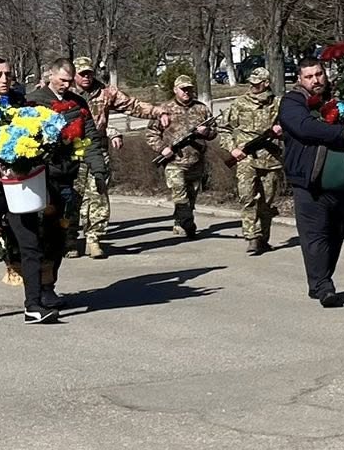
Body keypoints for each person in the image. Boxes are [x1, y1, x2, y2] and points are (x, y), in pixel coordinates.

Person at [0, 57, 57, 324]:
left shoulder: (22, 105)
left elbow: (36, 138)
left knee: (30, 244)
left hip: (19, 187)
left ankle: (33, 305)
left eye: (8, 74)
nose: (4, 79)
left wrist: (33, 158)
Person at [279, 59, 344, 307]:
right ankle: (323, 286)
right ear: (299, 79)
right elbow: (304, 128)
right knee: (314, 236)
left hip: (340, 181)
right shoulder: (293, 103)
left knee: (336, 234)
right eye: (309, 76)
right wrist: (342, 132)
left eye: (318, 74)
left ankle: (320, 279)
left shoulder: (339, 100)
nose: (315, 80)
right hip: (309, 182)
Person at [28, 60, 106, 297]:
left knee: (58, 236)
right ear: (50, 75)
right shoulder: (34, 101)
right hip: (39, 177)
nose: (65, 85)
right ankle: (37, 289)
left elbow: (90, 137)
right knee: (39, 234)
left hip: (65, 177)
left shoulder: (77, 103)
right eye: (61, 79)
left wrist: (98, 169)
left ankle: (49, 286)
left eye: (69, 81)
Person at [72, 57, 161, 259]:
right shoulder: (65, 93)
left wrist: (158, 111)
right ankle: (69, 237)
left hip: (98, 149)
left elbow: (132, 105)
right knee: (73, 195)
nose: (86, 77)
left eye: (89, 73)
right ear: (74, 75)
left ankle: (94, 238)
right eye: (82, 74)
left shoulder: (105, 92)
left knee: (98, 192)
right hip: (72, 152)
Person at [216, 67, 284, 255]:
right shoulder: (240, 104)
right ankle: (251, 237)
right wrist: (233, 149)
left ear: (266, 83)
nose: (253, 86)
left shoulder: (278, 104)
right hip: (246, 158)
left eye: (257, 83)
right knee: (247, 197)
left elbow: (293, 127)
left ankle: (263, 238)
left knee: (267, 201)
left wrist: (281, 130)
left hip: (270, 159)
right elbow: (224, 127)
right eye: (251, 83)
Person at [147, 75, 214, 243]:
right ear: (175, 90)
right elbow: (151, 134)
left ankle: (180, 221)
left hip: (196, 160)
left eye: (189, 89)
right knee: (179, 193)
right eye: (183, 89)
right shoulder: (164, 109)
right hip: (174, 162)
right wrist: (163, 149)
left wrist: (207, 133)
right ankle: (188, 224)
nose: (186, 92)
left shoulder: (201, 109)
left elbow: (214, 131)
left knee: (191, 196)